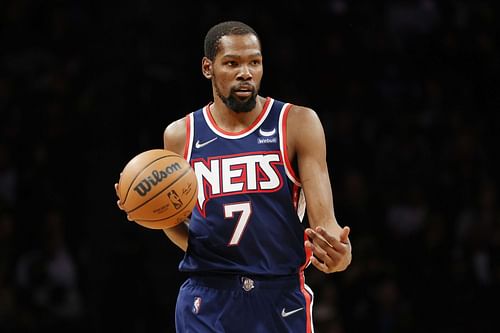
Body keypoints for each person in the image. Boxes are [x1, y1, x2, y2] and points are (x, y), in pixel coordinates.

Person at [117, 20, 351, 332]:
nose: (246, 72)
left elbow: (326, 223)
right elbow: (174, 216)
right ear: (207, 68)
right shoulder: (180, 134)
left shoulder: (297, 123)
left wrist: (340, 254)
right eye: (232, 63)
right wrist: (146, 210)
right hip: (206, 296)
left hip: (278, 293)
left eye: (254, 62)